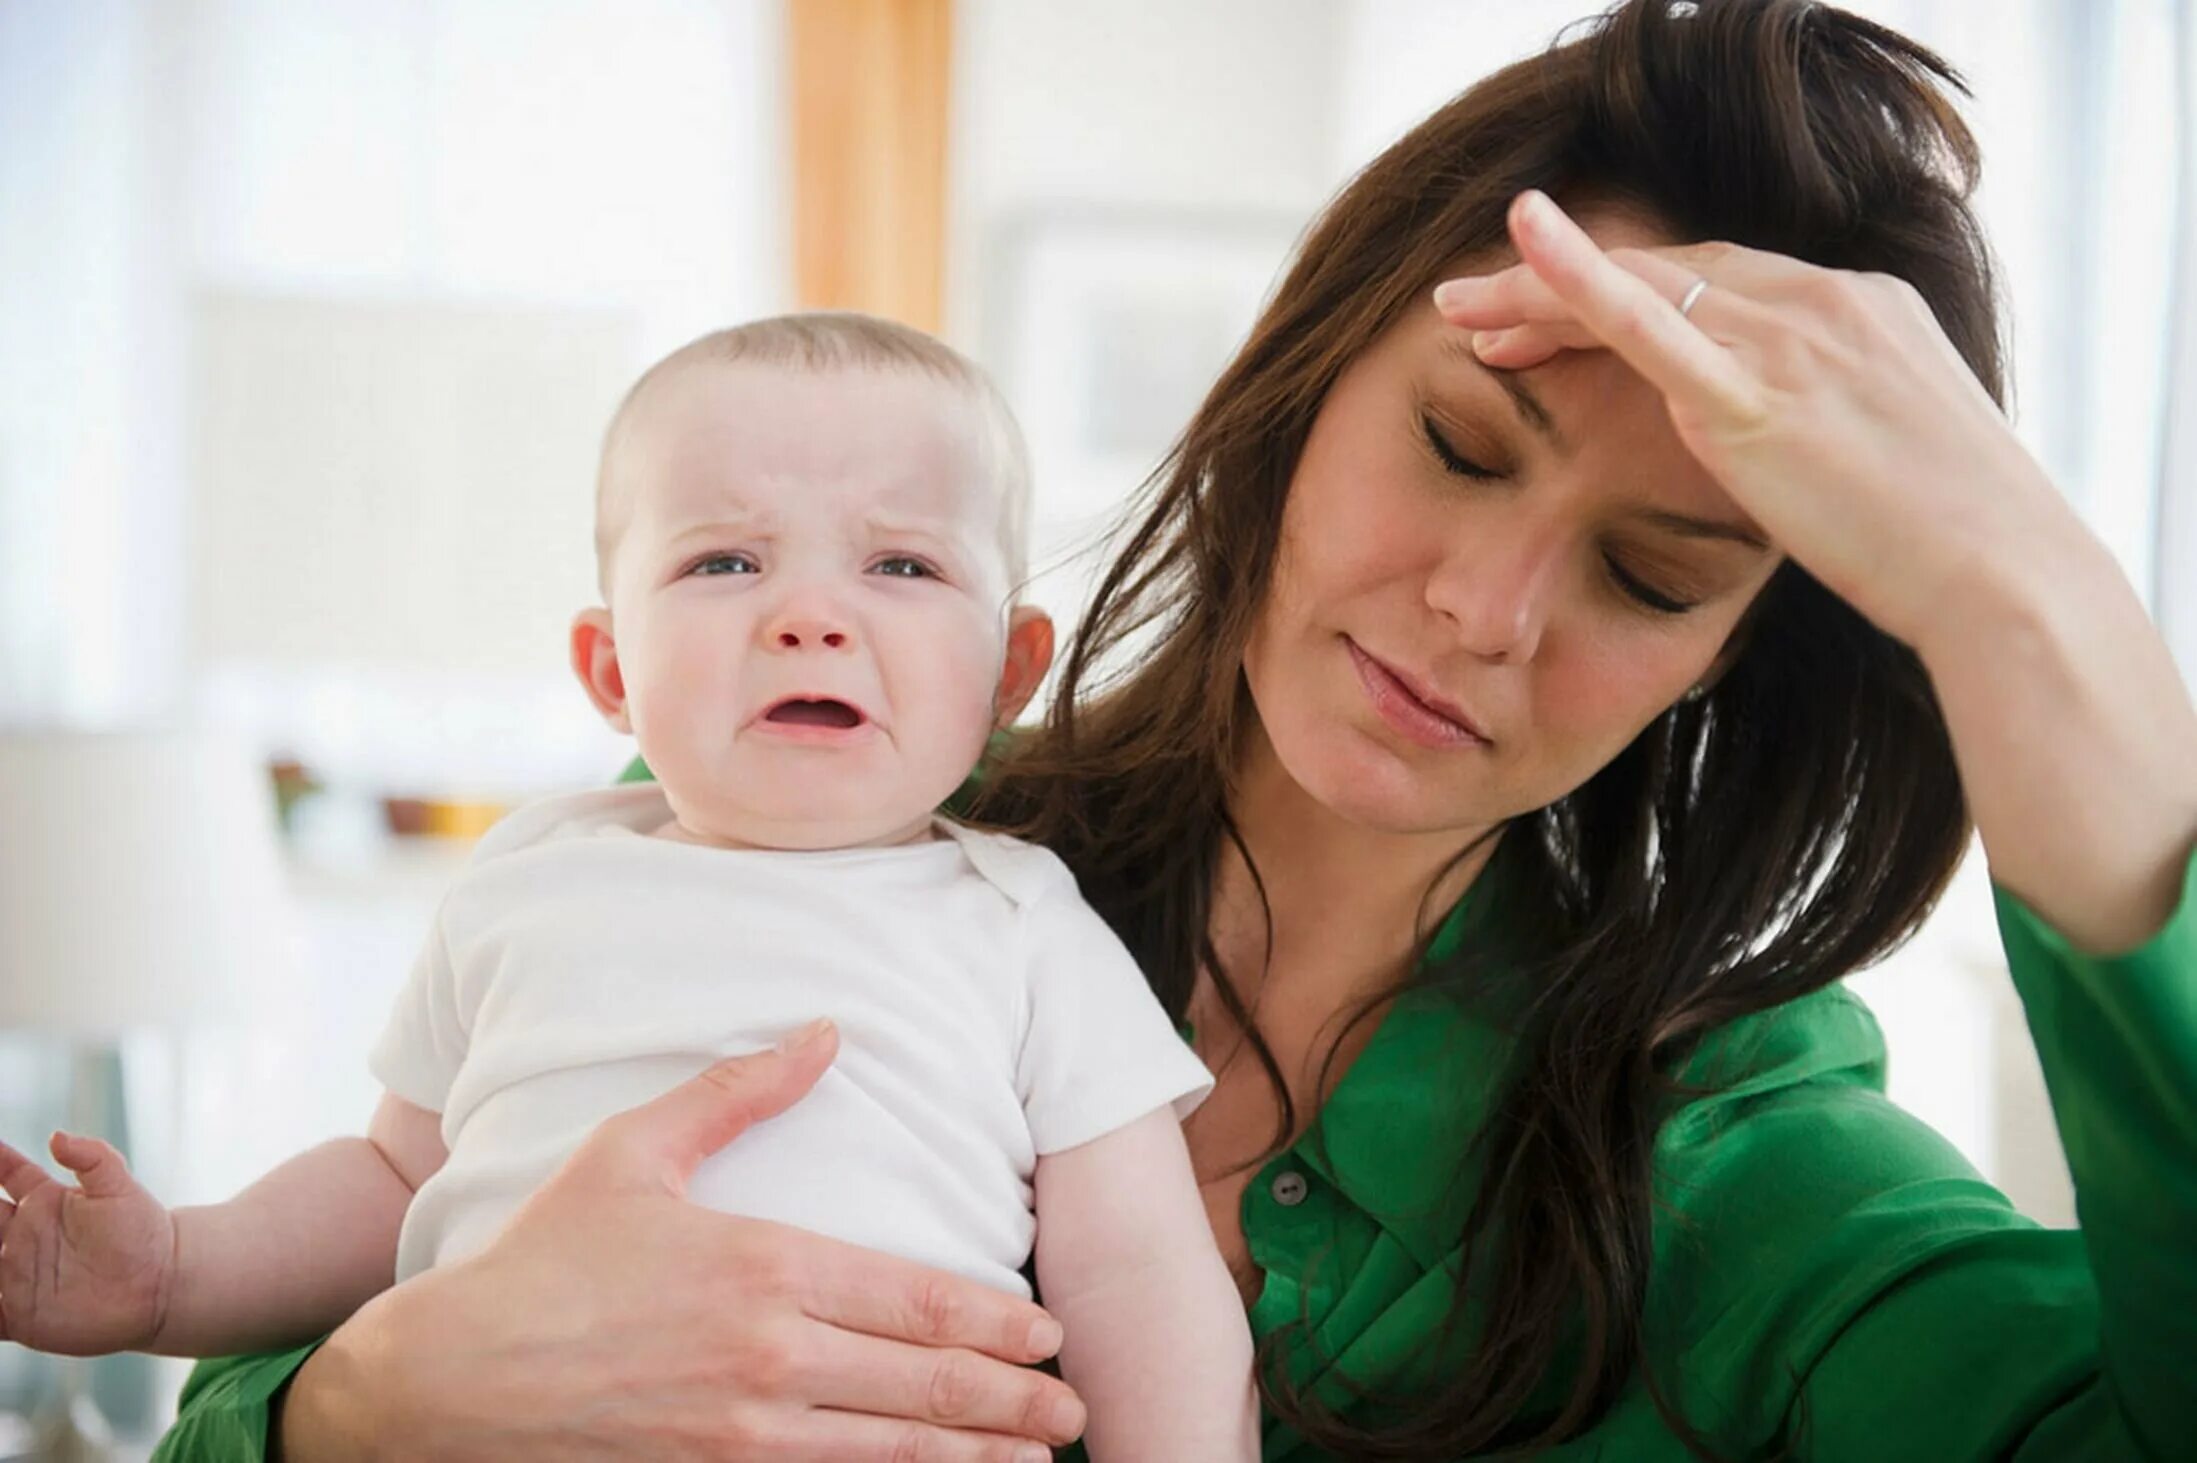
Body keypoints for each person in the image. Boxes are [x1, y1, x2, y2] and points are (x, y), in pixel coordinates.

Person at [115, 0, 2197, 1457]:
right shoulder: (791, 831)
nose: (1485, 611)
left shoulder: (1730, 1153)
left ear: (1725, 659)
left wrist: (2029, 588)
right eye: (1463, 444)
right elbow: (271, 1357)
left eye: (1653, 576)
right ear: (1305, 380)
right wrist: (378, 1406)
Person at [0, 315, 1260, 1463]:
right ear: (609, 667)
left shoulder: (1025, 924)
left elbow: (1142, 1279)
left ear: (1009, 669)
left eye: (903, 567)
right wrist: (174, 1270)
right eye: (725, 563)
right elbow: (393, 1185)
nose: (810, 616)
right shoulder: (529, 878)